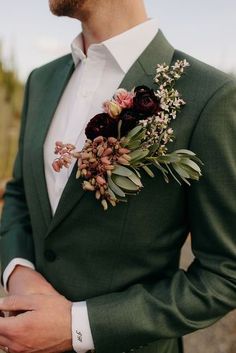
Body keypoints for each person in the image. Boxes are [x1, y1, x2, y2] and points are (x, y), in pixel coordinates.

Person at [0, 1, 236, 353]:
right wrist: (18, 272)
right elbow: (19, 192)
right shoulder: (41, 80)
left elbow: (225, 274)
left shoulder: (210, 96)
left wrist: (78, 326)